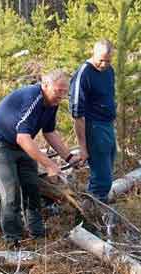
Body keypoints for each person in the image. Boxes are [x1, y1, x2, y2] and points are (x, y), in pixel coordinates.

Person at [0, 69, 80, 248]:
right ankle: (12, 241)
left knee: (32, 187)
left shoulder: (52, 102)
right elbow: (23, 137)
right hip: (0, 142)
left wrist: (68, 157)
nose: (61, 96)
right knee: (11, 192)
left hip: (20, 143)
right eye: (58, 91)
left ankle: (37, 233)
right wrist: (50, 164)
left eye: (64, 92)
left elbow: (49, 131)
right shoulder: (33, 98)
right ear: (45, 85)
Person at [69, 39, 117, 203]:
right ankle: (91, 215)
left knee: (108, 170)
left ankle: (99, 207)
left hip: (108, 125)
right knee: (101, 178)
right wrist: (83, 147)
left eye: (108, 60)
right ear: (93, 53)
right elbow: (77, 113)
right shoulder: (84, 73)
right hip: (94, 127)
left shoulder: (110, 71)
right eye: (101, 60)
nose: (104, 64)